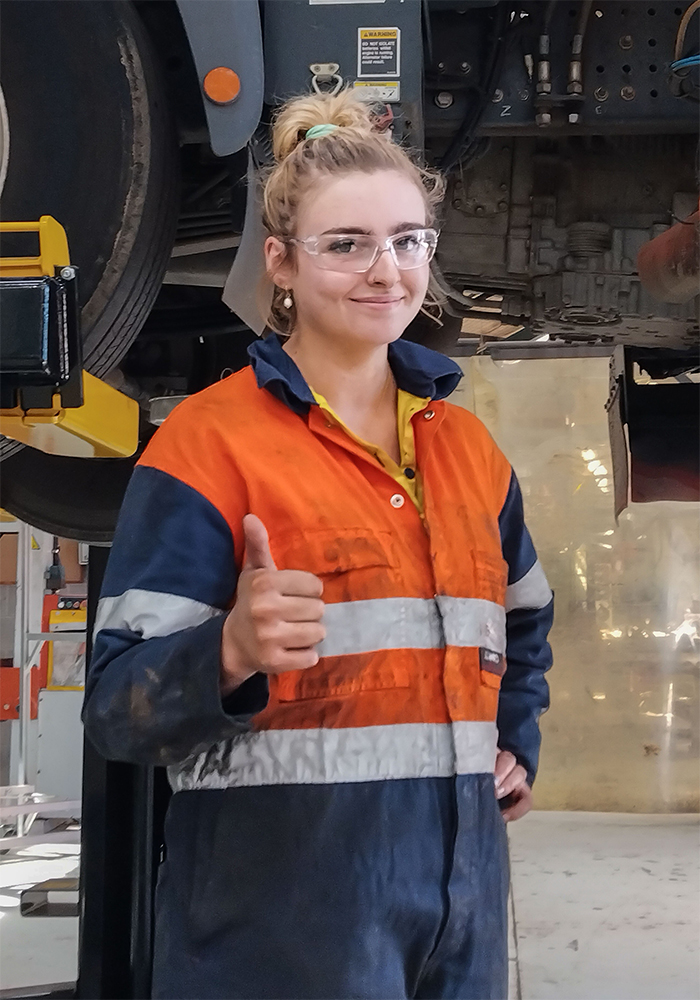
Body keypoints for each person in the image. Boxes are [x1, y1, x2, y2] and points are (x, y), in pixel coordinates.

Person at [83, 91, 553, 1000]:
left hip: (461, 918)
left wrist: (517, 741)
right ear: (281, 263)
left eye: (409, 239)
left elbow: (524, 621)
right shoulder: (208, 445)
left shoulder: (468, 453)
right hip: (280, 934)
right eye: (347, 245)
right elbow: (114, 710)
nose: (387, 271)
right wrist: (227, 652)